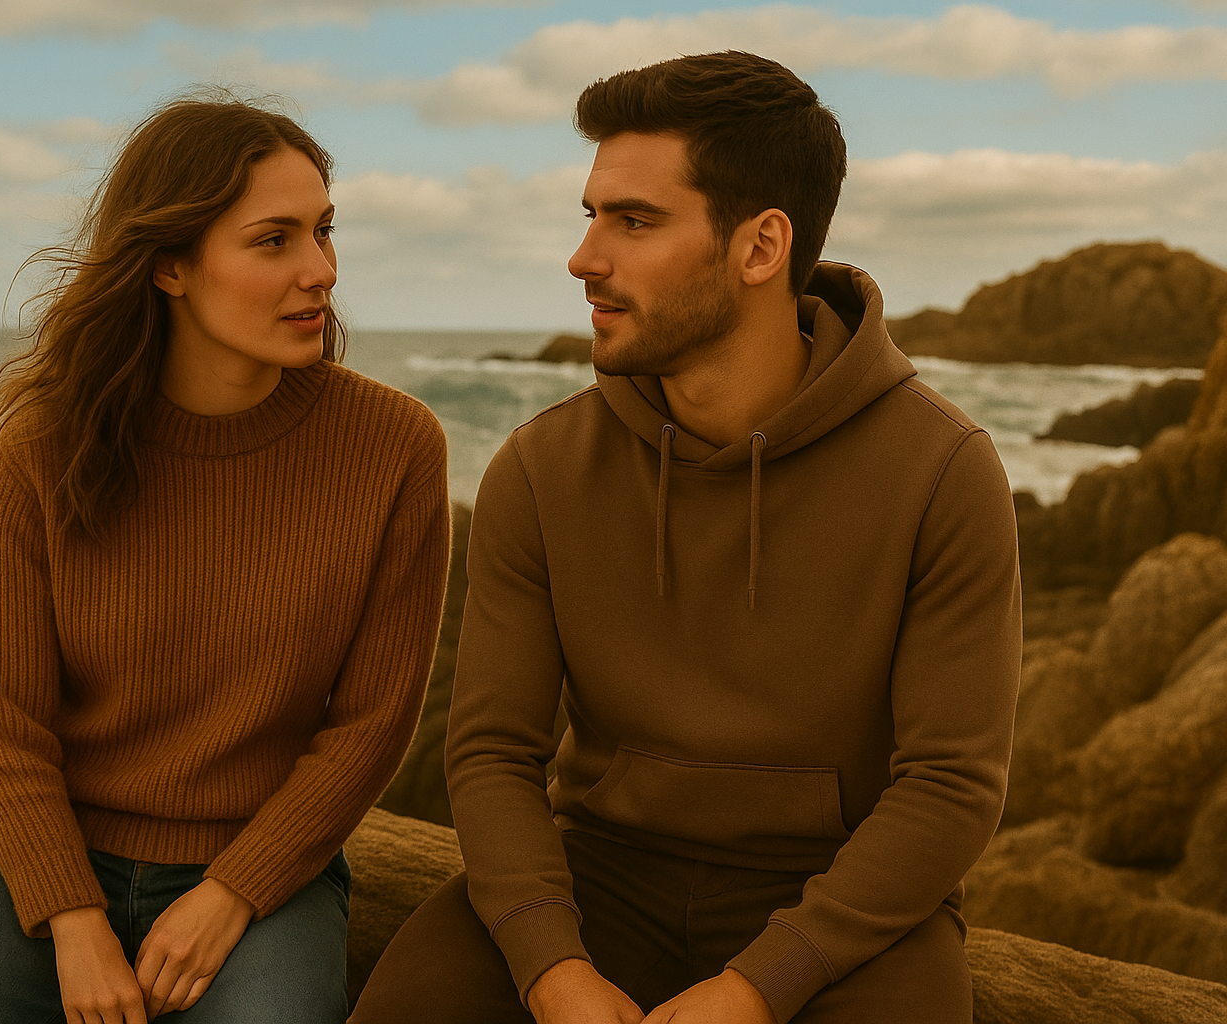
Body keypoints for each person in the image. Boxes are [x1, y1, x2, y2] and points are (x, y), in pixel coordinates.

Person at [351, 51, 1020, 1024]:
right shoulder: (541, 469)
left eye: (633, 220)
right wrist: (551, 967)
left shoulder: (943, 468)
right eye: (591, 215)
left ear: (759, 246)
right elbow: (494, 750)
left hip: (846, 911)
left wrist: (759, 985)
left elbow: (952, 785)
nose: (585, 257)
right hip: (596, 882)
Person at [0, 97, 451, 1024]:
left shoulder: (393, 446)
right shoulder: (45, 447)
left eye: (323, 231)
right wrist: (72, 917)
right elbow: (4, 717)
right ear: (170, 265)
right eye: (274, 240)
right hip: (49, 848)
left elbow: (370, 725)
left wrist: (233, 895)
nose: (321, 271)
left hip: (263, 870)